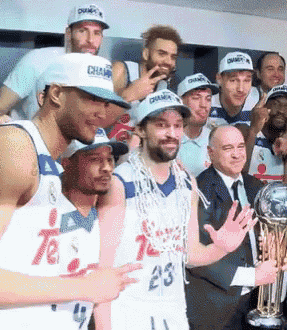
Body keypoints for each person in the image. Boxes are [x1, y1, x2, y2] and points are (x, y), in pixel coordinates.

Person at [0, 53, 141, 330]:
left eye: (106, 103)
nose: (101, 112)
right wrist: (84, 287)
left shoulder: (51, 167)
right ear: (56, 94)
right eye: (91, 98)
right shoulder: (14, 146)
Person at [94, 89, 257, 330]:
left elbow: (191, 256)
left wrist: (221, 247)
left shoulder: (186, 182)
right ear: (140, 129)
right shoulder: (120, 183)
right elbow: (102, 270)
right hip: (128, 310)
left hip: (173, 310)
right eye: (161, 125)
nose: (172, 134)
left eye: (178, 125)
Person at [185, 125, 280, 330]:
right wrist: (252, 276)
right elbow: (195, 259)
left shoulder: (254, 185)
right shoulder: (200, 191)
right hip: (216, 308)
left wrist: (270, 243)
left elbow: (266, 231)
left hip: (255, 301)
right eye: (228, 148)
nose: (237, 155)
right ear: (211, 153)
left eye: (240, 147)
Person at [0, 3, 109, 128]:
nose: (90, 40)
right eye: (82, 31)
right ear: (69, 33)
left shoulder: (101, 72)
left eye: (97, 33)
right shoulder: (37, 60)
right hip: (28, 142)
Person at [56, 127, 128, 330]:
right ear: (66, 163)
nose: (107, 167)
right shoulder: (48, 212)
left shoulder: (108, 216)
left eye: (110, 159)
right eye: (95, 159)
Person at [107, 25, 182, 144]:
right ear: (146, 54)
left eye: (173, 57)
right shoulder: (122, 70)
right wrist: (128, 95)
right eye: (162, 54)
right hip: (107, 151)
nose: (168, 62)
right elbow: (98, 117)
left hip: (136, 156)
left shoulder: (164, 87)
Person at [177, 73, 218, 176]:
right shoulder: (168, 138)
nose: (204, 105)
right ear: (181, 102)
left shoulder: (215, 139)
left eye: (208, 99)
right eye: (196, 98)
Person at [246, 84, 287, 182]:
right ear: (264, 107)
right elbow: (237, 173)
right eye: (276, 104)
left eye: (286, 107)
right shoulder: (244, 131)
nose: (281, 110)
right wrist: (253, 130)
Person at [208, 51, 260, 128]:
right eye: (233, 80)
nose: (241, 89)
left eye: (247, 81)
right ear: (219, 79)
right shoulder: (205, 102)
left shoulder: (258, 101)